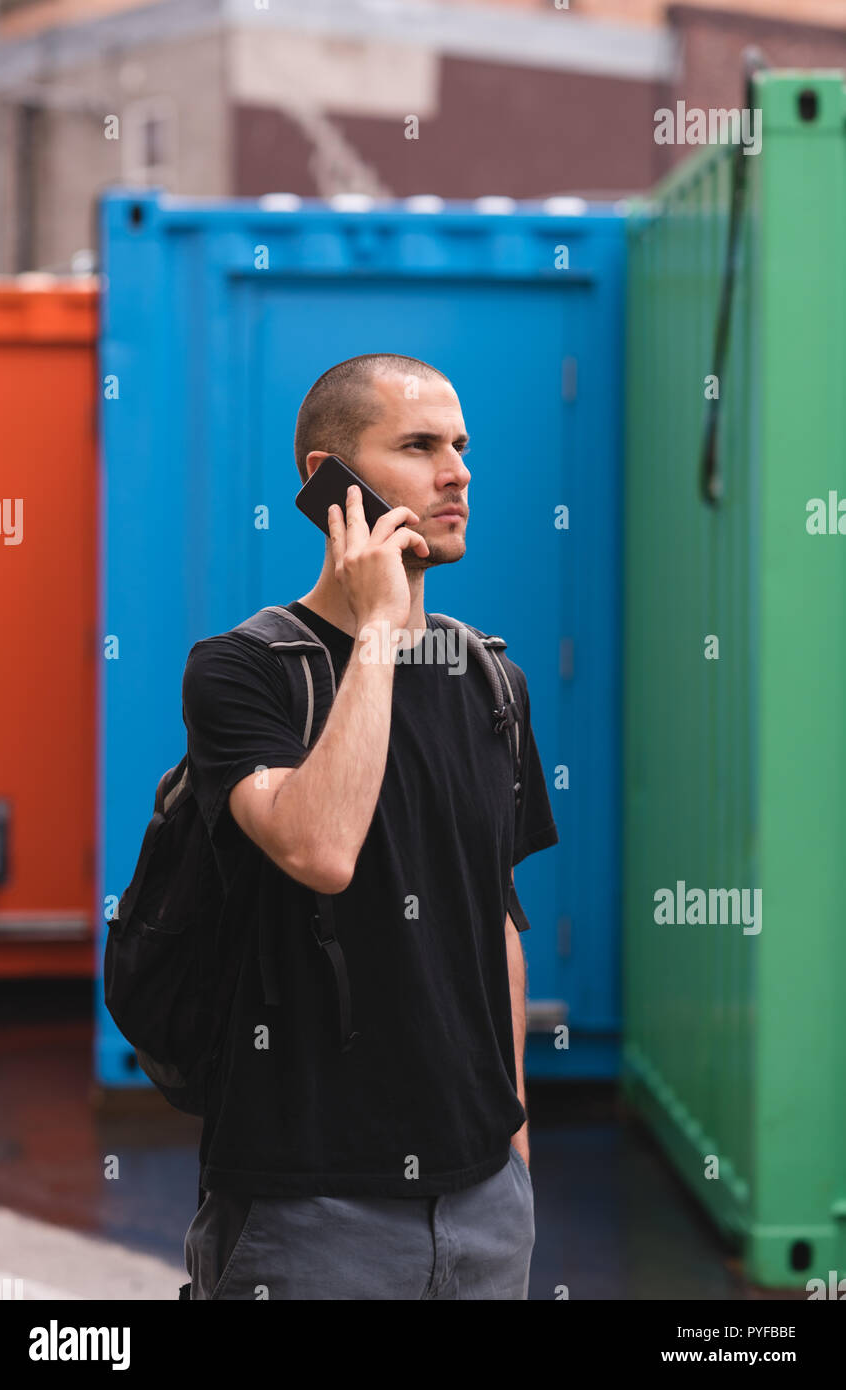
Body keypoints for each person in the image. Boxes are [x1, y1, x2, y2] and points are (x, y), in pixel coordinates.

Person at [181, 353, 558, 1300]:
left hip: (484, 1205)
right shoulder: (244, 673)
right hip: (308, 1212)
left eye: (461, 446)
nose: (457, 472)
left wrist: (512, 1150)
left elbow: (497, 924)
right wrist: (381, 634)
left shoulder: (492, 683)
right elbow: (319, 850)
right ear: (326, 482)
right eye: (419, 446)